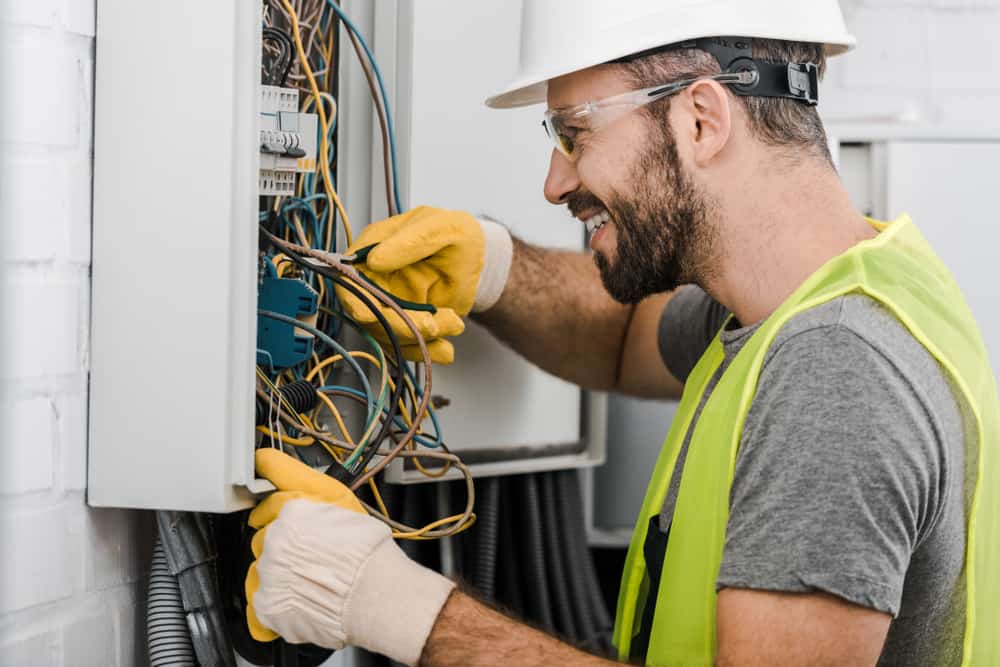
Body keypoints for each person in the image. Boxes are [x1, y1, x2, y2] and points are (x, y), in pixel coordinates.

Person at [245, 2, 1000, 665]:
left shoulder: (835, 371)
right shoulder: (820, 293)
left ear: (701, 119)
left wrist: (389, 603)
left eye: (576, 132)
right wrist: (493, 269)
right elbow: (619, 339)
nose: (555, 181)